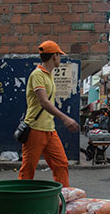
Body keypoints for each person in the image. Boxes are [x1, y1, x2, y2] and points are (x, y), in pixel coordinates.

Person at [18, 40, 79, 187]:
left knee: (61, 164)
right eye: (60, 55)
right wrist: (65, 118)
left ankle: (64, 197)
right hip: (34, 129)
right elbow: (44, 102)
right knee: (28, 170)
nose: (61, 58)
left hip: (49, 130)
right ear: (54, 56)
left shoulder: (49, 75)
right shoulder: (37, 75)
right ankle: (20, 202)